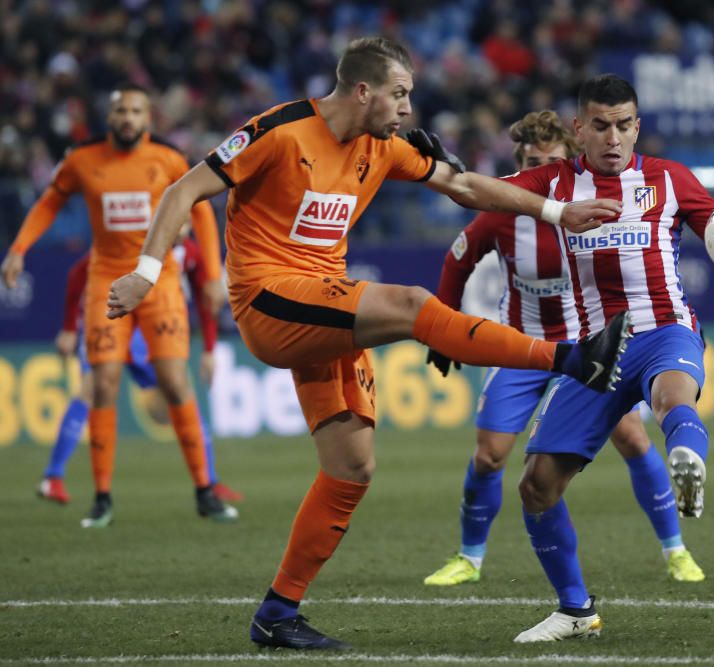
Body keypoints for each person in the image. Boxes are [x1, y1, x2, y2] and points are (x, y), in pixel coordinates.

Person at [103, 37, 631, 651]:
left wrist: (554, 211)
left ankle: (278, 614)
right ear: (363, 91)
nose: (409, 108)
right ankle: (570, 357)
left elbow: (465, 188)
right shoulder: (278, 131)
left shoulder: (383, 146)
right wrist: (145, 271)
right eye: (400, 94)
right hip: (269, 300)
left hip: (323, 308)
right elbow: (181, 191)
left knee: (352, 467)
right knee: (409, 304)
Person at [455, 74, 714, 642]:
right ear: (579, 129)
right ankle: (576, 612)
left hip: (664, 328)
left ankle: (687, 462)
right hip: (595, 353)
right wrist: (434, 170)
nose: (613, 137)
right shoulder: (549, 182)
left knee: (673, 395)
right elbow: (478, 192)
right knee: (537, 485)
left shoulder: (669, 180)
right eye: (600, 125)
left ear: (637, 126)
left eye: (624, 125)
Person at [422, 110, 703, 588]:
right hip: (520, 347)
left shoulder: (597, 208)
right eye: (532, 161)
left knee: (634, 439)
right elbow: (456, 262)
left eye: (549, 160)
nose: (539, 169)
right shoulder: (501, 217)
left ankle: (676, 550)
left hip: (583, 347)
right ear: (520, 166)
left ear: (566, 161)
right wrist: (443, 327)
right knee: (489, 456)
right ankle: (469, 558)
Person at [0, 84, 237, 527]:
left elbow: (202, 211)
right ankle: (103, 497)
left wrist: (210, 276)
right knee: (103, 383)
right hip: (107, 280)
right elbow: (50, 201)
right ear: (109, 118)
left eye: (135, 111)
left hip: (159, 281)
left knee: (173, 382)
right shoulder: (82, 161)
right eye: (121, 111)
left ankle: (205, 489)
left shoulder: (167, 160)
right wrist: (18, 248)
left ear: (148, 118)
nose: (128, 118)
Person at [37, 245, 242, 506]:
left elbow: (206, 298)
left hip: (150, 331)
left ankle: (209, 481)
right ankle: (53, 477)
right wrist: (68, 327)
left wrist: (209, 349)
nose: (183, 225)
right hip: (111, 321)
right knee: (91, 389)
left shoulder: (191, 253)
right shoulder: (138, 240)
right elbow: (79, 273)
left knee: (180, 390)